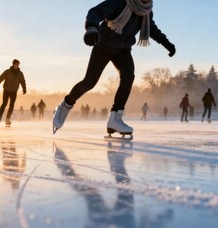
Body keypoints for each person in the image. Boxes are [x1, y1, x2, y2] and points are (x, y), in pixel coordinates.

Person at [52, 0, 176, 136]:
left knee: (128, 76)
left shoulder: (146, 11)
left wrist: (166, 43)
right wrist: (92, 28)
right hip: (103, 45)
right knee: (89, 82)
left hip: (123, 50)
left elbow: (151, 29)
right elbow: (95, 12)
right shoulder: (120, 2)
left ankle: (115, 120)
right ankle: (65, 106)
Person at [0, 59, 27, 126]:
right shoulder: (7, 72)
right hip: (6, 90)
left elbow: (22, 81)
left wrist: (24, 88)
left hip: (14, 91)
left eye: (18, 65)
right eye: (15, 64)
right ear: (13, 64)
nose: (17, 66)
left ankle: (7, 118)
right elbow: (0, 78)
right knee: (4, 103)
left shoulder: (20, 74)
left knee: (11, 105)